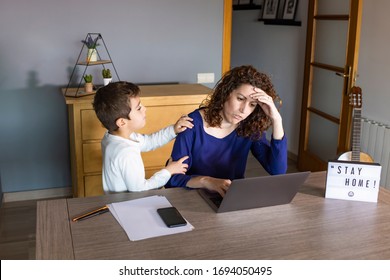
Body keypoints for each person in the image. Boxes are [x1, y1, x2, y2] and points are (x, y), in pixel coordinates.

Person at [166, 65, 287, 196]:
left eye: (252, 104)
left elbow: (277, 170)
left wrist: (277, 120)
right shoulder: (191, 125)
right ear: (226, 93)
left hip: (230, 199)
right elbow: (172, 179)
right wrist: (207, 181)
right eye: (240, 99)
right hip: (193, 198)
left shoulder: (249, 126)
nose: (244, 110)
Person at [92, 81, 193, 193]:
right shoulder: (126, 152)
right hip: (127, 206)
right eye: (139, 108)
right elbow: (140, 190)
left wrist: (173, 130)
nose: (145, 109)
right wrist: (168, 171)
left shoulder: (112, 136)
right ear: (122, 122)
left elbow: (149, 142)